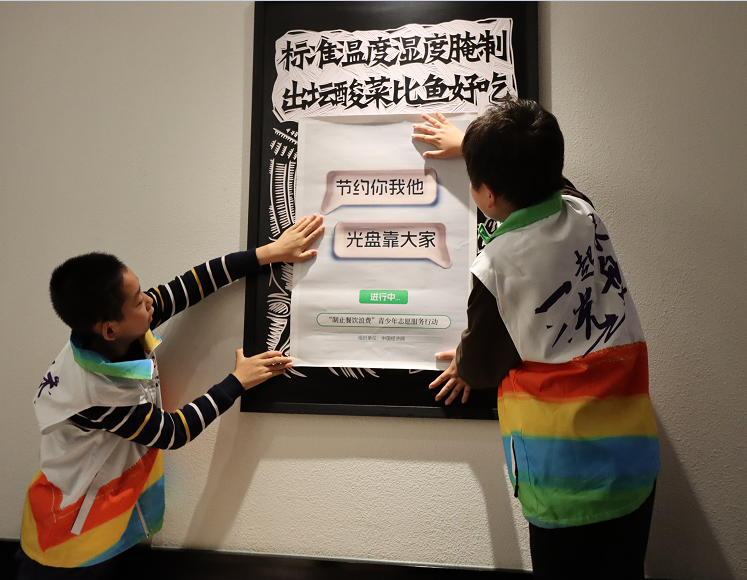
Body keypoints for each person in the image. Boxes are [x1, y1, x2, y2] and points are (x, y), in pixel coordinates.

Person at [413, 103, 660, 579]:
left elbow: (480, 364)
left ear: (486, 194)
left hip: (565, 475)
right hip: (631, 453)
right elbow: (546, 176)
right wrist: (472, 147)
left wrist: (463, 363)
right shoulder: (582, 210)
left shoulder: (497, 264)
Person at [17, 215, 324, 579]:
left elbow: (187, 286)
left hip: (94, 502)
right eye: (138, 300)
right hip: (72, 532)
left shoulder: (112, 332)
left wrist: (269, 253)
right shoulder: (97, 394)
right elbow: (172, 432)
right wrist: (237, 381)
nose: (150, 301)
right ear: (110, 328)